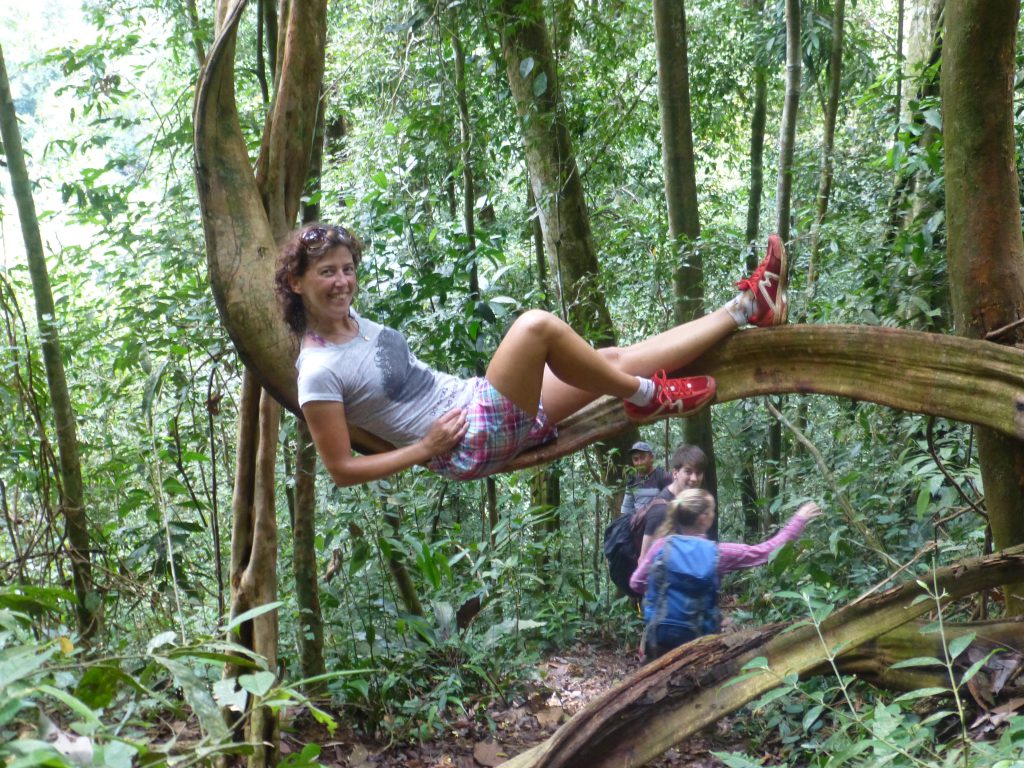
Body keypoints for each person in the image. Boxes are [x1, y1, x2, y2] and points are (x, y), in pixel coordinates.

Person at [275, 224, 788, 486]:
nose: (342, 281)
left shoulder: (355, 325)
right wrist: (424, 447)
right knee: (534, 327)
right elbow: (340, 468)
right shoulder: (317, 371)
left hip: (474, 403)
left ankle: (748, 308)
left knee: (611, 359)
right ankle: (650, 397)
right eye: (326, 272)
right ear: (296, 282)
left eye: (347, 268)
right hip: (464, 441)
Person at [630, 489, 821, 661]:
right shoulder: (718, 553)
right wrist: (799, 519)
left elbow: (636, 583)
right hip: (699, 644)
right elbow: (766, 552)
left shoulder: (660, 547)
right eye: (712, 510)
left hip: (659, 639)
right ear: (704, 518)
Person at [637, 444, 708, 561]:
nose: (694, 478)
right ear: (675, 473)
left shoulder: (691, 503)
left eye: (698, 473)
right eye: (688, 472)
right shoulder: (660, 511)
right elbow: (644, 561)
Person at [619, 441, 672, 517]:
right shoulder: (632, 480)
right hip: (638, 524)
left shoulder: (663, 477)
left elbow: (673, 505)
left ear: (651, 458)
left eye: (643, 458)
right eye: (636, 459)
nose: (639, 463)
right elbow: (627, 507)